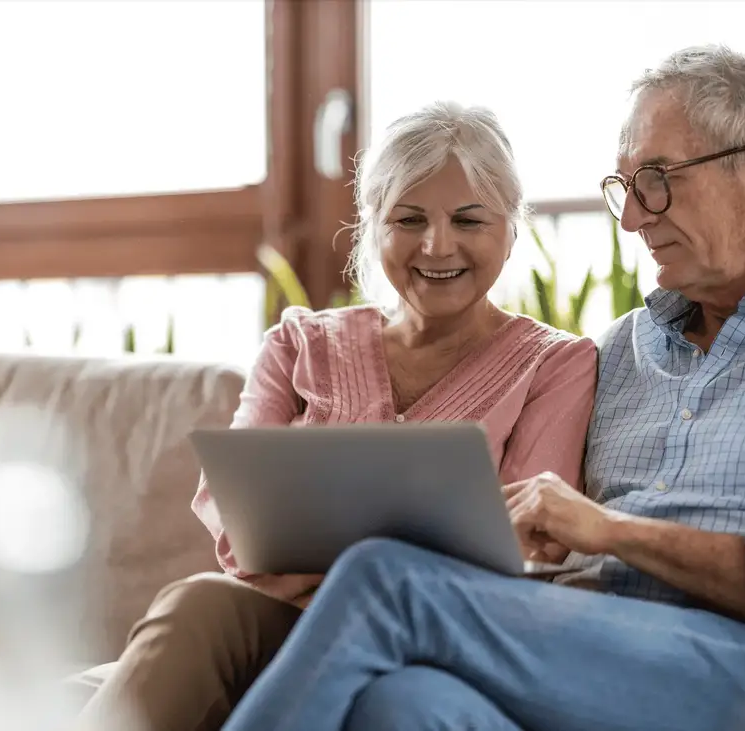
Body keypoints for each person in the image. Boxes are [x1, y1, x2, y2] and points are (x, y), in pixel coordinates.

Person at [216, 35, 745, 731]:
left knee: (387, 578)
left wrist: (611, 530)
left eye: (657, 179)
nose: (631, 216)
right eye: (624, 186)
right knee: (403, 705)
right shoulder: (622, 349)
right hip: (580, 649)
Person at [75, 101, 598, 731]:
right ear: (373, 229)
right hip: (289, 616)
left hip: (436, 640)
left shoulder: (555, 364)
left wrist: (352, 573)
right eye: (408, 219)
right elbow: (233, 505)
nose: (437, 245)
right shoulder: (299, 343)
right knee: (200, 602)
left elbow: (529, 545)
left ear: (511, 231)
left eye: (469, 220)